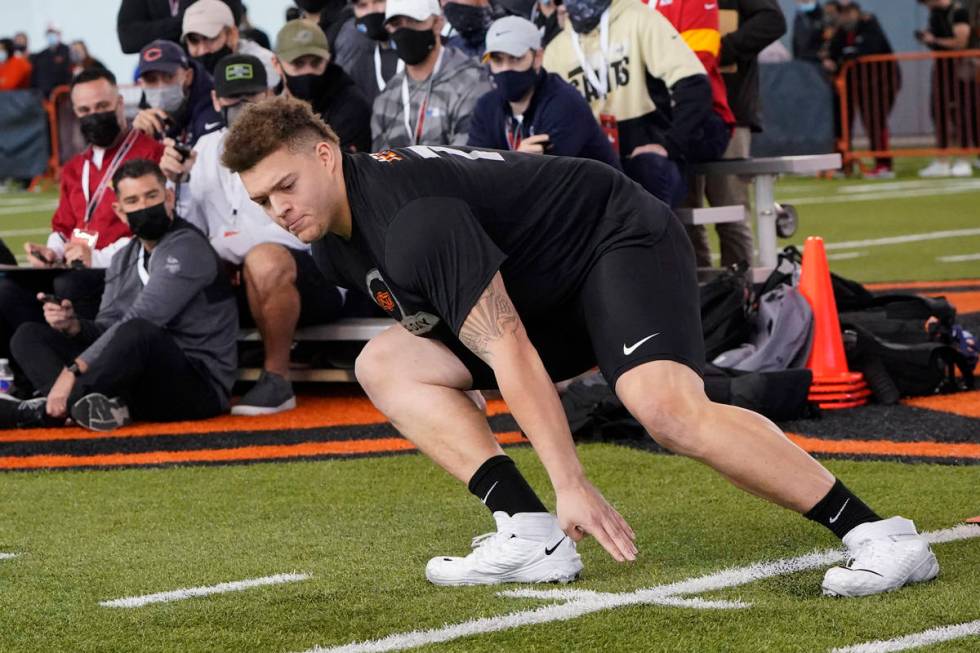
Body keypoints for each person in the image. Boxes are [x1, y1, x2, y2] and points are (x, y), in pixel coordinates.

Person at [224, 96, 940, 598]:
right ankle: (529, 532)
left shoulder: (408, 219)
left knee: (664, 408)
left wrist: (572, 479)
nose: (279, 209)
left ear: (325, 153)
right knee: (383, 361)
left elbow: (510, 352)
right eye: (262, 201)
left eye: (286, 185)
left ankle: (878, 533)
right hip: (544, 284)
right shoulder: (337, 243)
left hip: (614, 236)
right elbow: (465, 352)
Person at [165, 54, 345, 415]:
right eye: (233, 99)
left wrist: (228, 245)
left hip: (314, 274)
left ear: (270, 94)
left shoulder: (295, 146)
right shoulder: (201, 150)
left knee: (264, 258)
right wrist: (176, 183)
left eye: (252, 97)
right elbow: (187, 234)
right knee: (182, 261)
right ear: (216, 100)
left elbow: (303, 233)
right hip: (238, 281)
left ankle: (276, 379)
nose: (243, 108)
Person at [3, 159, 238, 432]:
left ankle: (51, 408)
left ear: (170, 198)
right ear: (120, 211)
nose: (144, 207)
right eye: (133, 201)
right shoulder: (124, 257)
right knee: (29, 335)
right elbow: (108, 328)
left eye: (152, 196)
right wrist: (74, 326)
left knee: (139, 330)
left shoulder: (187, 247)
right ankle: (85, 406)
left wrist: (72, 372)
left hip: (197, 386)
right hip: (139, 379)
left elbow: (142, 320)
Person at [0, 68, 164, 388]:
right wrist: (53, 251)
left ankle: (86, 379)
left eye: (102, 107)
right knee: (6, 292)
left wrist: (96, 257)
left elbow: (154, 231)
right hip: (75, 269)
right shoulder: (77, 166)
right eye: (84, 111)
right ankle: (30, 376)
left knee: (69, 285)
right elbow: (63, 226)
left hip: (124, 273)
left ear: (119, 104)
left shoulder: (151, 154)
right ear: (74, 113)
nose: (94, 116)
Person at [543, 0, 715, 208]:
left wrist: (671, 144)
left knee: (648, 172)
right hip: (592, 166)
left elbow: (694, 85)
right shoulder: (556, 50)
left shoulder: (639, 19)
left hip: (647, 162)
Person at [686, 0, 786, 269]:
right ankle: (699, 294)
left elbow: (772, 21)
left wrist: (722, 49)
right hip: (677, 113)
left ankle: (739, 295)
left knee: (731, 210)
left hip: (727, 110)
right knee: (683, 215)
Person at [467, 16, 620, 169]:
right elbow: (475, 171)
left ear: (538, 57)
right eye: (497, 60)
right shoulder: (486, 107)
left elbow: (546, 182)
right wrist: (516, 162)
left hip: (594, 191)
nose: (505, 69)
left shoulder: (564, 103)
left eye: (515, 58)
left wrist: (513, 165)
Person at [371, 0, 492, 149]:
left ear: (437, 23)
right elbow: (379, 167)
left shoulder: (472, 82)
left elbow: (467, 162)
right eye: (396, 24)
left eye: (413, 21)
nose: (404, 31)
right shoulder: (386, 99)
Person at [823, 2, 900, 179]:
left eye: (849, 12)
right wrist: (832, 60)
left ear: (857, 12)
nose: (846, 16)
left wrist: (846, 56)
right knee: (842, 124)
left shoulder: (869, 24)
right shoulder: (841, 31)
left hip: (879, 84)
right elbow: (833, 53)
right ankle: (843, 164)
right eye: (842, 13)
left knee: (875, 123)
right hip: (853, 85)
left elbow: (866, 50)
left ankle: (883, 165)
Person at [274, 20, 373, 152]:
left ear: (328, 60)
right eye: (298, 64)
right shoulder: (268, 111)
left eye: (316, 63)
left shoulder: (352, 106)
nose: (308, 71)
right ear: (276, 64)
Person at [916, 0, 977, 178]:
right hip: (940, 68)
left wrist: (934, 40)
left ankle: (964, 160)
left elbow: (961, 42)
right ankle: (942, 160)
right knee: (938, 112)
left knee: (961, 114)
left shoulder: (958, 12)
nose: (926, 6)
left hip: (959, 69)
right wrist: (928, 39)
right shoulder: (935, 14)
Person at [132, 40, 223, 148]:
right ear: (142, 84)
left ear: (188, 77)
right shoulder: (144, 119)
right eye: (151, 80)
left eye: (168, 76)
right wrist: (138, 138)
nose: (161, 87)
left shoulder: (212, 110)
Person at [181, 0, 280, 88]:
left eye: (210, 38)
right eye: (193, 40)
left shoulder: (264, 65)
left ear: (232, 34)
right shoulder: (183, 73)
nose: (202, 49)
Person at [332, 0, 405, 104]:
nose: (371, 11)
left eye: (379, 1)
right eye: (362, 5)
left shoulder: (418, 51)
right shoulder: (359, 57)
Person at [116, 0, 243, 54]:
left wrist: (155, 30)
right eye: (192, 39)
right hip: (164, 75)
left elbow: (229, 18)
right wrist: (187, 21)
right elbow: (128, 39)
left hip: (217, 71)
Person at [29, 25, 73, 98]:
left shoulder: (68, 51)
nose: (51, 36)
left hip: (62, 93)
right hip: (43, 94)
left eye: (54, 33)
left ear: (59, 34)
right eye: (49, 33)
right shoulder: (41, 55)